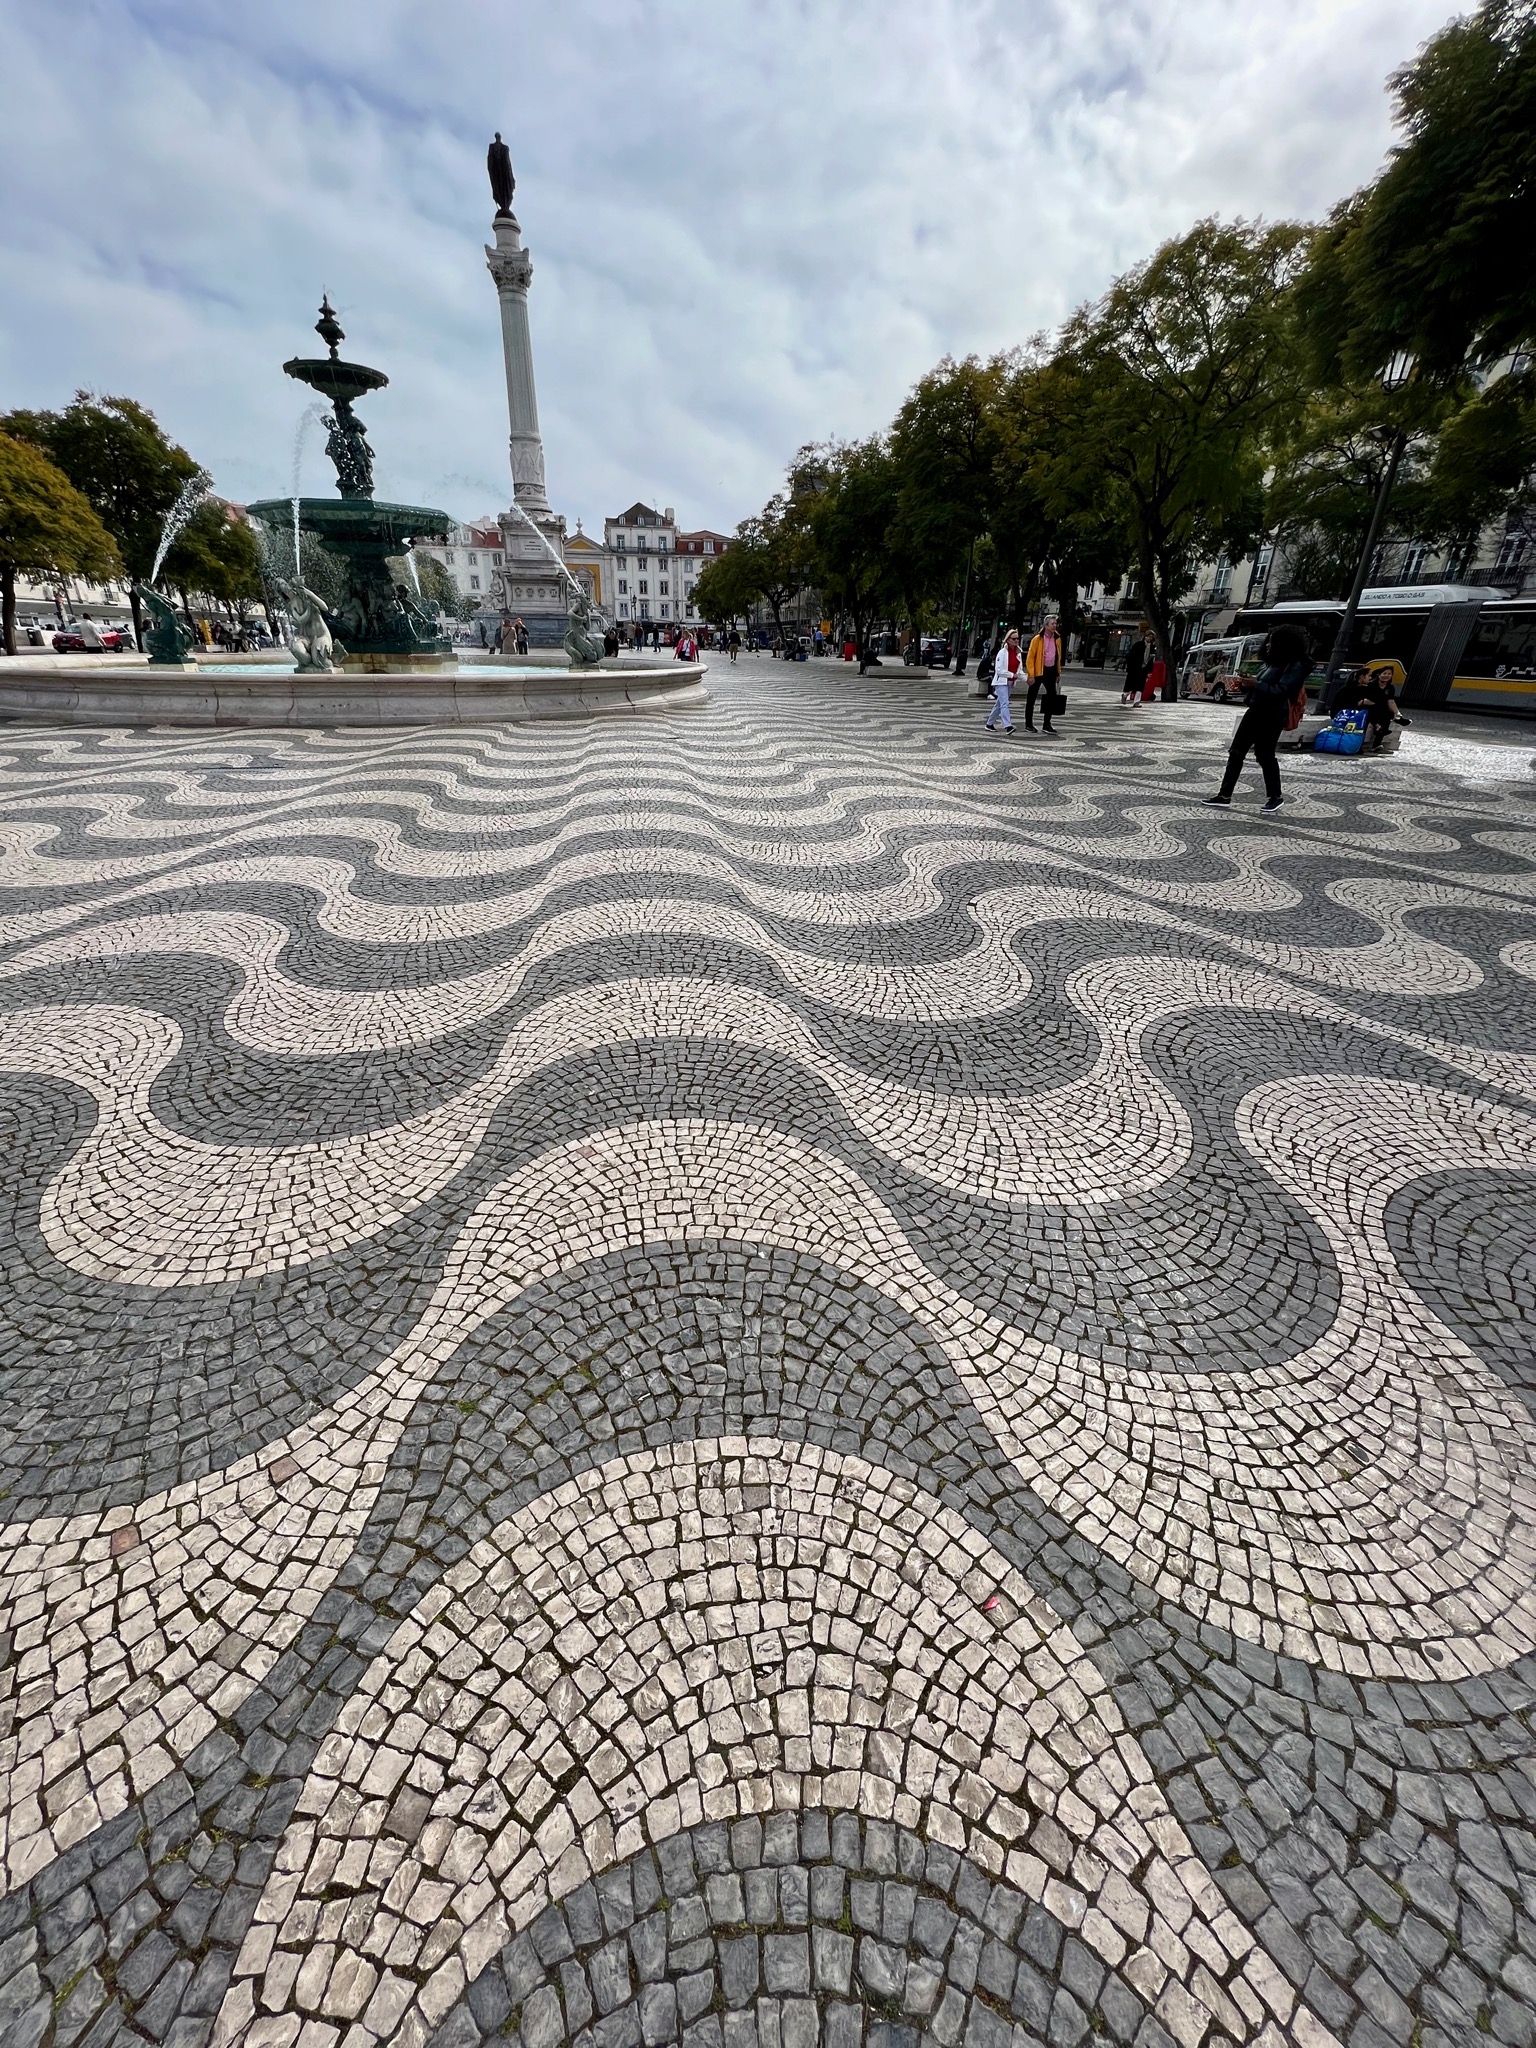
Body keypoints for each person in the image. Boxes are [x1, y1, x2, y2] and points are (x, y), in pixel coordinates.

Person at [1204, 622, 1310, 813]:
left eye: (1272, 642)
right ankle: (1224, 795)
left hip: (1272, 715)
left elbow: (1282, 692)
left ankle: (1275, 796)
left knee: (1264, 755)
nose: (1268, 645)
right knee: (1236, 752)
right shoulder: (1272, 663)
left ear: (1284, 644)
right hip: (1255, 711)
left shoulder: (1295, 666)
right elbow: (1263, 686)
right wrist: (1246, 684)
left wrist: (1256, 684)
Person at [1024, 615, 1062, 733]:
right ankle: (1028, 724)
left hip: (1051, 670)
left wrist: (1058, 672)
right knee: (1031, 697)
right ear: (1046, 625)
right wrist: (1031, 674)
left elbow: (1058, 656)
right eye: (1052, 624)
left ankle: (1047, 723)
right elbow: (1030, 657)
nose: (1055, 626)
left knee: (1052, 695)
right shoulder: (1037, 639)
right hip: (1038, 670)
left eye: (1055, 623)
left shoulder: (1057, 639)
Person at [985, 627, 1022, 735]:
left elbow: (1019, 669)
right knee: (1004, 703)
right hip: (1001, 682)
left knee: (999, 704)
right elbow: (999, 670)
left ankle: (989, 724)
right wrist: (1012, 674)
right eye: (1014, 639)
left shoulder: (1018, 652)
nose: (1016, 640)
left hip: (1011, 682)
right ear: (1008, 640)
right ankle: (1008, 726)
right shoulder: (1002, 652)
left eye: (1017, 638)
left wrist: (1024, 676)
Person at [1122, 623, 1154, 706]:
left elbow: (1151, 659)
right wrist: (1130, 667)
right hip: (1135, 668)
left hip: (1144, 668)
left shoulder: (1151, 647)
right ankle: (1125, 695)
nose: (1150, 638)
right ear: (1145, 636)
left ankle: (1136, 702)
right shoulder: (1138, 645)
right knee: (1131, 684)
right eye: (1149, 636)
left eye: (1151, 637)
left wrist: (1149, 669)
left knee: (1140, 686)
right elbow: (1131, 656)